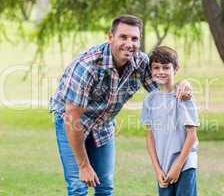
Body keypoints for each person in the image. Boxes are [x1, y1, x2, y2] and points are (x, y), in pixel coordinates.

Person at [49, 15, 192, 196]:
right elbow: (72, 118)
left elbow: (164, 91)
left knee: (105, 186)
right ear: (111, 37)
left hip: (103, 125)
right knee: (78, 187)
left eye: (134, 38)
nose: (129, 43)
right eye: (123, 37)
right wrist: (84, 165)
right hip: (71, 123)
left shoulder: (140, 63)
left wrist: (184, 84)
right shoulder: (87, 67)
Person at [141, 46, 199, 196]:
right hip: (163, 167)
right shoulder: (150, 100)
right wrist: (157, 170)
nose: (161, 71)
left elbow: (192, 135)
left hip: (185, 165)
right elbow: (150, 136)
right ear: (151, 70)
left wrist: (178, 166)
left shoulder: (183, 96)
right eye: (156, 67)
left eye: (166, 67)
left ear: (176, 68)